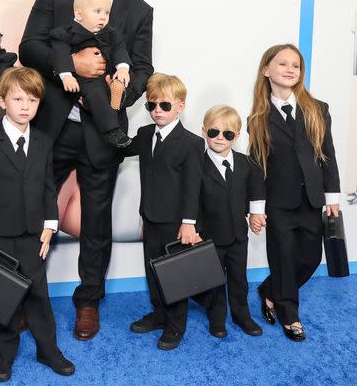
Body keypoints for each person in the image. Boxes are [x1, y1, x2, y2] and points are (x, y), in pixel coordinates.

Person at [19, 0, 153, 340]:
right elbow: (29, 47)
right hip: (51, 127)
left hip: (102, 133)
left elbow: (144, 70)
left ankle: (88, 301)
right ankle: (22, 296)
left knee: (96, 221)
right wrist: (71, 66)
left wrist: (117, 92)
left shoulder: (139, 9)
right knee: (31, 212)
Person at [0, 67, 75, 382]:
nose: (26, 106)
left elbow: (48, 187)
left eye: (32, 100)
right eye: (18, 99)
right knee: (3, 297)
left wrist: (50, 225)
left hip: (34, 235)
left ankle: (48, 348)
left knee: (38, 295)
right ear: (2, 100)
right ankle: (4, 354)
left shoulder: (44, 142)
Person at [248, 44, 340, 342]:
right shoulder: (258, 119)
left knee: (311, 258)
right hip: (278, 203)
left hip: (312, 200)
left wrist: (332, 198)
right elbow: (258, 166)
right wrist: (257, 208)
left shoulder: (318, 109)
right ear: (266, 70)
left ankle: (270, 290)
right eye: (282, 64)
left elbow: (328, 155)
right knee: (283, 257)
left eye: (295, 66)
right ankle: (290, 315)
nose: (290, 69)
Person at [125, 73, 204, 351]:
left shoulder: (192, 143)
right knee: (152, 270)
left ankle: (175, 325)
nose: (158, 111)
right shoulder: (145, 134)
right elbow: (119, 150)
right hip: (150, 216)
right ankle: (159, 314)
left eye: (165, 106)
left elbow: (192, 187)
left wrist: (188, 223)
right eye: (152, 105)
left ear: (180, 107)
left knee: (174, 274)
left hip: (177, 222)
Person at [199, 105, 263, 338]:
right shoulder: (197, 164)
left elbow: (256, 190)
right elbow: (191, 201)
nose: (219, 138)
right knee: (214, 280)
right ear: (203, 131)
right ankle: (217, 318)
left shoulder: (246, 163)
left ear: (236, 136)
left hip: (238, 235)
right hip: (209, 236)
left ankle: (241, 315)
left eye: (227, 134)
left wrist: (257, 213)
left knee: (239, 278)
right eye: (213, 132)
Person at [50, 0, 132, 148]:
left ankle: (113, 95)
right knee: (95, 92)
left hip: (106, 75)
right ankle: (112, 130)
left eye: (107, 13)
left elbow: (119, 48)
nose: (103, 17)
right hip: (84, 78)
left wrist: (122, 68)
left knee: (113, 85)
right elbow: (60, 53)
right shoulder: (64, 33)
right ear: (79, 14)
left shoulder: (111, 33)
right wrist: (66, 75)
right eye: (98, 11)